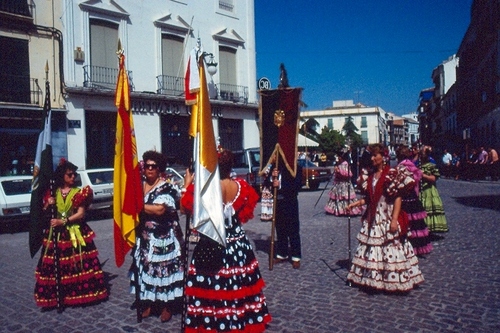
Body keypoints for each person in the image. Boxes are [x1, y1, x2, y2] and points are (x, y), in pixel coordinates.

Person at [181, 148, 271, 332]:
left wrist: (186, 184)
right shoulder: (241, 185)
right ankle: (239, 319)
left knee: (213, 284)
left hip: (213, 243)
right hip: (237, 244)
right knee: (238, 283)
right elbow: (245, 211)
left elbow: (185, 208)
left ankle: (215, 321)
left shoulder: (205, 188)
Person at [346, 144, 424, 292]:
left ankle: (393, 280)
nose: (373, 158)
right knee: (374, 248)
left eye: (376, 155)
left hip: (387, 216)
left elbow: (397, 198)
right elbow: (369, 199)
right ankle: (375, 279)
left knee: (390, 246)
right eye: (372, 155)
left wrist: (394, 220)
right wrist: (355, 203)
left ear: (383, 157)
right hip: (374, 218)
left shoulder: (391, 174)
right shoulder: (370, 176)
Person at [34, 159, 108, 310]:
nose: (73, 177)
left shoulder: (79, 192)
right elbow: (44, 211)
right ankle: (57, 296)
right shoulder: (54, 192)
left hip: (74, 230)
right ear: (62, 176)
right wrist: (48, 203)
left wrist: (64, 221)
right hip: (56, 232)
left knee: (77, 263)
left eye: (74, 175)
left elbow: (81, 214)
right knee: (56, 264)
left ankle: (78, 295)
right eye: (70, 175)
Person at [130, 150, 184, 323]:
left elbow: (160, 209)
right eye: (147, 166)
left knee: (164, 272)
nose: (150, 169)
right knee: (145, 269)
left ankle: (168, 306)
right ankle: (150, 304)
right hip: (144, 237)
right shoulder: (139, 185)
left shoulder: (166, 186)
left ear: (159, 168)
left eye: (154, 166)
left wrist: (137, 206)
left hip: (164, 237)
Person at [395, 145, 432, 256]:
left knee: (407, 222)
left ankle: (409, 246)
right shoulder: (412, 165)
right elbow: (417, 179)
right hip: (413, 196)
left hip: (405, 196)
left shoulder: (401, 167)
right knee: (417, 223)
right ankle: (420, 246)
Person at [271, 156, 302, 269]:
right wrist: (271, 179)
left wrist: (280, 185)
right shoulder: (274, 168)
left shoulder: (295, 168)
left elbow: (297, 185)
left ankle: (296, 257)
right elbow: (267, 184)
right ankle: (282, 254)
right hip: (278, 203)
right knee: (280, 229)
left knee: (293, 229)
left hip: (290, 202)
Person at [420, 147, 449, 233]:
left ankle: (431, 228)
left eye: (423, 154)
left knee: (430, 208)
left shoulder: (432, 165)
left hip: (429, 190)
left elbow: (434, 178)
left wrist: (424, 176)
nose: (421, 155)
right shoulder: (419, 165)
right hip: (421, 190)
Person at [324, 152, 362, 216]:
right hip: (339, 183)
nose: (338, 158)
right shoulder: (339, 163)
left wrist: (338, 171)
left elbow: (347, 174)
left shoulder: (345, 164)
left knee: (345, 197)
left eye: (339, 156)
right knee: (338, 197)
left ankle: (347, 209)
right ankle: (337, 209)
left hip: (344, 183)